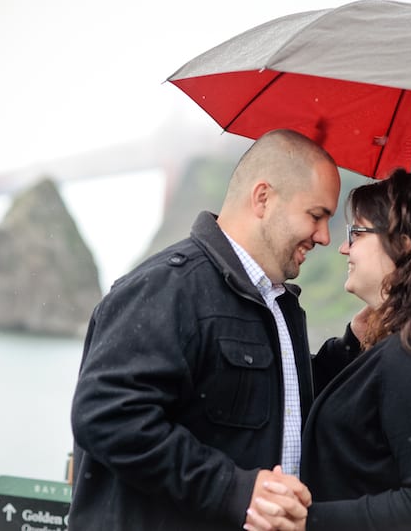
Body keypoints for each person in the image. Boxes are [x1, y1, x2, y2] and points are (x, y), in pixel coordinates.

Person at [68, 128, 342, 530]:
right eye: (316, 215)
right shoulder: (165, 287)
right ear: (263, 198)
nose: (324, 236)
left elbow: (263, 401)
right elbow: (107, 416)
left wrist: (351, 347)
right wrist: (233, 490)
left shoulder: (281, 304)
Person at [247, 170, 411, 531]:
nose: (343, 247)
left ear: (402, 245)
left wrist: (306, 520)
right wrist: (353, 342)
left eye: (356, 233)